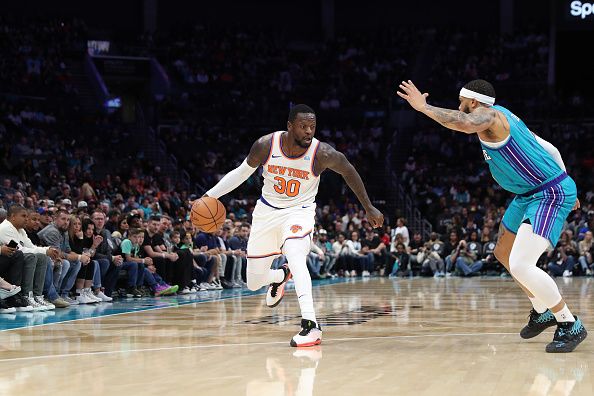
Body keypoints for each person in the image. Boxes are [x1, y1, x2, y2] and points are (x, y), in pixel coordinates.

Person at [398, 79, 586, 352]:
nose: (459, 106)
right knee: (503, 253)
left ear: (473, 102)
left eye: (462, 102)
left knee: (522, 264)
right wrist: (566, 177)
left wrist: (424, 107)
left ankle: (569, 323)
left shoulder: (489, 116)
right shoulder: (508, 115)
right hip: (529, 193)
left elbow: (463, 123)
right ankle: (541, 309)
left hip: (548, 193)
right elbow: (551, 149)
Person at [203, 104, 383, 347]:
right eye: (303, 126)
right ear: (290, 126)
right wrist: (209, 196)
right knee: (253, 282)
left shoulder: (323, 153)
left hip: (299, 211)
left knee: (296, 255)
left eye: (312, 127)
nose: (309, 131)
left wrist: (368, 206)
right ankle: (280, 275)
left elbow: (349, 171)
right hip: (267, 212)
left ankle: (311, 325)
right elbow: (240, 173)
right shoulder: (266, 145)